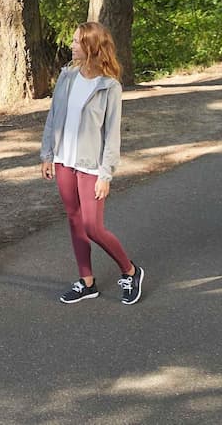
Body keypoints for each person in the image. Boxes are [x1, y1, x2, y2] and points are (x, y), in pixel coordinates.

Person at [40, 22, 145, 305]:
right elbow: (53, 116)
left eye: (76, 42)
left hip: (91, 165)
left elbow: (112, 134)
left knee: (93, 227)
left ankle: (131, 271)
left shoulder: (109, 86)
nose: (72, 46)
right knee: (74, 221)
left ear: (91, 47)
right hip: (63, 160)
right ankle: (87, 282)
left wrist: (105, 174)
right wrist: (47, 154)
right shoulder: (67, 76)